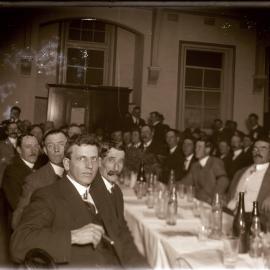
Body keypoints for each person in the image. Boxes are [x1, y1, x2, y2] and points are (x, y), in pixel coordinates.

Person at [10, 135, 148, 268]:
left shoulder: (106, 192)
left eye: (93, 159)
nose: (89, 166)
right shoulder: (48, 196)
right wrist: (72, 236)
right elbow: (19, 243)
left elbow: (122, 236)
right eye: (82, 158)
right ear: (67, 163)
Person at [12, 129, 68, 229]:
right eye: (50, 146)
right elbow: (17, 220)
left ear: (68, 147)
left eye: (61, 144)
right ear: (45, 151)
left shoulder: (78, 173)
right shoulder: (34, 180)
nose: (56, 149)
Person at [227, 137, 270, 214]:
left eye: (263, 148)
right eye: (255, 149)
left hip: (252, 217)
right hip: (229, 211)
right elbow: (229, 194)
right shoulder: (240, 172)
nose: (258, 152)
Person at [181, 138, 229, 204]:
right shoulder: (195, 166)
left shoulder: (215, 162)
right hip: (200, 201)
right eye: (196, 147)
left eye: (199, 147)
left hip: (214, 203)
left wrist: (214, 198)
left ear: (207, 150)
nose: (196, 150)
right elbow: (185, 182)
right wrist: (170, 186)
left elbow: (224, 181)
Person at [2, 134, 40, 211]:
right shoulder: (11, 172)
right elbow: (17, 206)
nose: (33, 150)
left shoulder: (41, 165)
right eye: (28, 147)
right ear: (19, 150)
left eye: (36, 146)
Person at [0, 121, 19, 186]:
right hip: (5, 178)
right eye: (11, 129)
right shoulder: (1, 145)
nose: (13, 130)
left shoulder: (22, 143)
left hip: (19, 178)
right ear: (7, 131)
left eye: (15, 128)